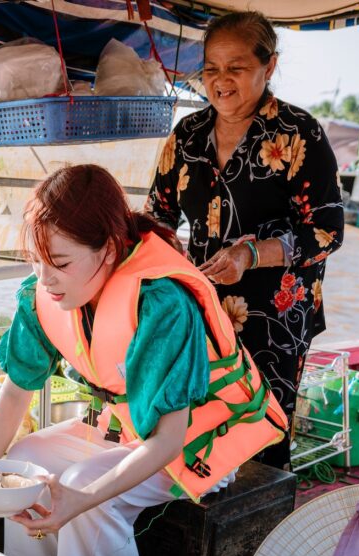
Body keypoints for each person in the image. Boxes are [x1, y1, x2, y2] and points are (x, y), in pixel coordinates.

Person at [0, 164, 287, 556]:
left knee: (86, 490)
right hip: (121, 431)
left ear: (109, 247)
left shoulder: (161, 303)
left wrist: (82, 499)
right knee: (24, 462)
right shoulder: (42, 293)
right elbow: (14, 393)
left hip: (198, 444)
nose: (45, 279)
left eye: (59, 262)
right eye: (36, 261)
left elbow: (168, 439)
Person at [147, 11, 344, 469]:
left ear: (268, 66)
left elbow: (326, 232)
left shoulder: (299, 134)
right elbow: (157, 214)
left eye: (235, 67)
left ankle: (260, 534)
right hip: (197, 308)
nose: (221, 81)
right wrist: (165, 253)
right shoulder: (187, 135)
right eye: (211, 69)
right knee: (194, 425)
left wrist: (251, 254)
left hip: (273, 317)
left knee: (260, 435)